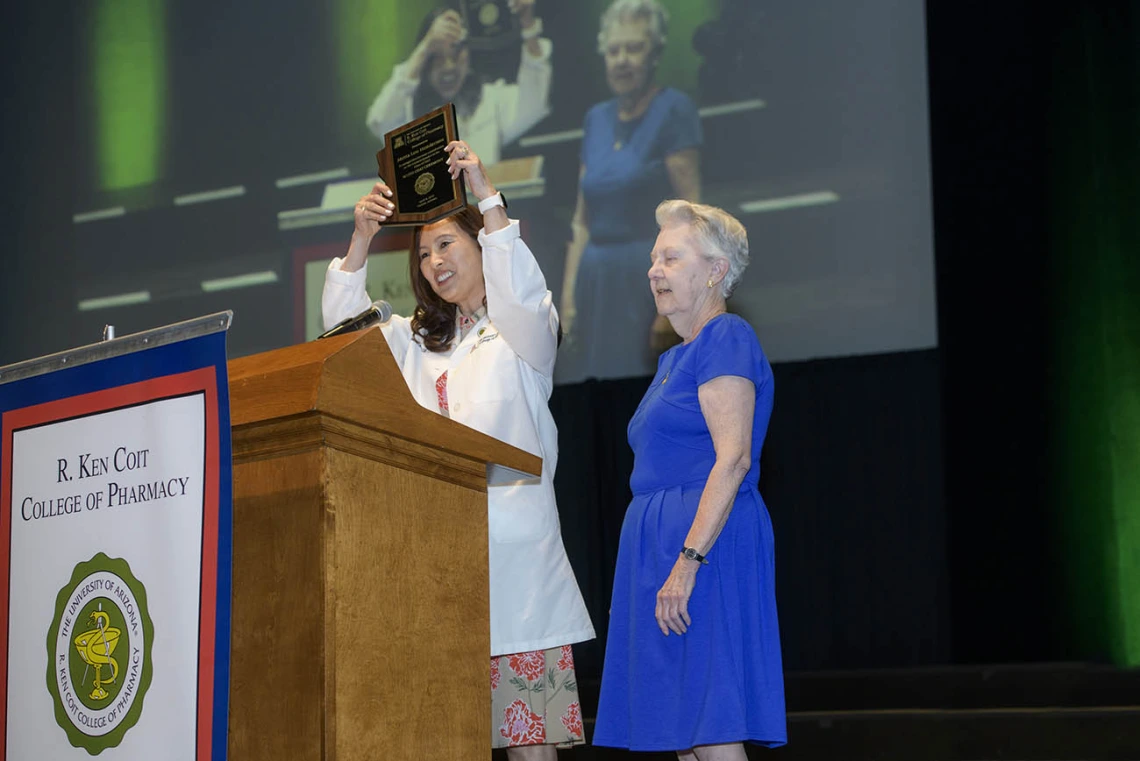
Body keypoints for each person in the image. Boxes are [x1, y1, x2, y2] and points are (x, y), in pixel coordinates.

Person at [322, 139, 594, 758]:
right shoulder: (419, 345)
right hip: (437, 568)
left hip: (514, 566)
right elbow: (343, 333)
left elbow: (519, 282)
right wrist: (361, 239)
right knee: (445, 736)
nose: (433, 262)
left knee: (529, 747)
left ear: (479, 245)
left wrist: (485, 194)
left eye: (447, 244)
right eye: (422, 253)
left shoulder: (524, 332)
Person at [593, 200, 787, 758]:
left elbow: (732, 460)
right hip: (666, 551)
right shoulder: (673, 359)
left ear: (715, 270)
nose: (654, 270)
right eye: (654, 259)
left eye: (671, 258)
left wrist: (687, 562)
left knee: (710, 728)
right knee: (682, 735)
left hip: (705, 551)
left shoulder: (726, 336)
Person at [559, 0, 702, 383]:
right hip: (596, 284)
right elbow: (580, 220)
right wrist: (569, 299)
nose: (622, 59)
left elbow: (692, 217)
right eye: (614, 49)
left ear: (654, 53)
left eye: (634, 48)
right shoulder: (595, 119)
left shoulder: (674, 109)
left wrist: (671, 304)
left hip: (648, 282)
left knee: (644, 392)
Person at [365, 1, 552, 167]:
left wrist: (528, 25)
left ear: (469, 55)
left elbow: (534, 104)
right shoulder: (405, 108)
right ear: (425, 61)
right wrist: (425, 46)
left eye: (456, 53)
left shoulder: (489, 100)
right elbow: (379, 121)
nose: (449, 67)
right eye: (437, 56)